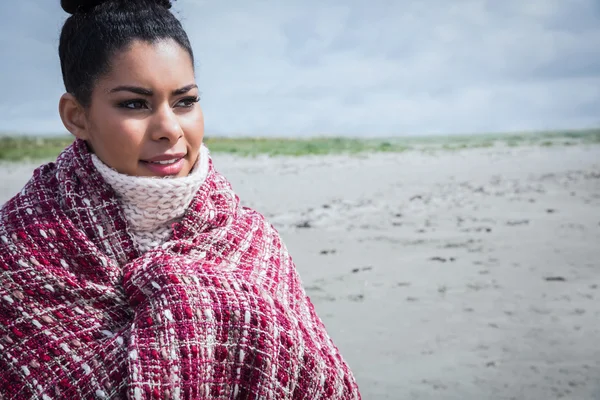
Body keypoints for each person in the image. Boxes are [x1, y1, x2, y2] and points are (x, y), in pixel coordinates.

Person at [0, 0, 361, 398]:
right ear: (76, 116)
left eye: (184, 101)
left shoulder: (252, 241)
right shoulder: (18, 250)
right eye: (134, 104)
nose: (169, 129)